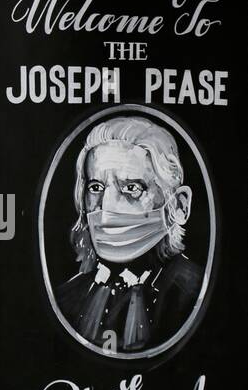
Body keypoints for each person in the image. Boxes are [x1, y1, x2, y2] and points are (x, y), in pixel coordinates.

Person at [53, 114, 205, 356]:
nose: (107, 206)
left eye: (132, 188)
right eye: (96, 188)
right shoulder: (67, 299)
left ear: (178, 206)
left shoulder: (195, 295)